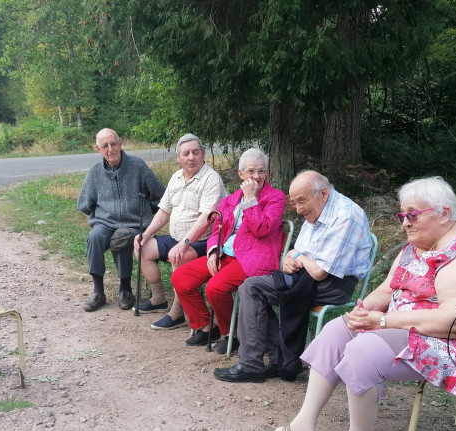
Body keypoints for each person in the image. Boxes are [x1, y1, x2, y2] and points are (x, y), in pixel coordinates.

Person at [257, 176, 456, 431]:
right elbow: (387, 289)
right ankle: (302, 428)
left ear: (445, 214)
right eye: (402, 215)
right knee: (336, 331)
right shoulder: (420, 243)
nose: (405, 223)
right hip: (415, 327)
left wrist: (382, 321)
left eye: (412, 215)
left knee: (362, 351)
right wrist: (364, 311)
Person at [214, 170, 373, 383]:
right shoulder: (316, 208)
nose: (298, 209)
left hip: (334, 284)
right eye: (294, 203)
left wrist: (297, 256)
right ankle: (278, 359)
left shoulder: (346, 215)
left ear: (323, 193)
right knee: (251, 287)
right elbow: (297, 253)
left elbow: (319, 272)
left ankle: (256, 364)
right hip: (305, 277)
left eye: (301, 201)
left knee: (253, 288)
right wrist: (290, 259)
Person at [171, 148, 286, 350]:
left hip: (253, 258)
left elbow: (262, 229)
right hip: (224, 254)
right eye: (251, 171)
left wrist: (251, 201)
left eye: (261, 171)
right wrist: (213, 251)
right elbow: (217, 229)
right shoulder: (231, 200)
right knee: (181, 276)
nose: (256, 177)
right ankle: (206, 326)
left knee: (215, 288)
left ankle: (231, 334)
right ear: (240, 174)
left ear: (267, 173)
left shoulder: (275, 198)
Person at [133, 134, 227, 330]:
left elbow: (205, 219)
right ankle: (158, 298)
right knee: (143, 248)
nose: (191, 157)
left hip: (203, 241)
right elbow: (164, 211)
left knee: (179, 257)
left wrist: (184, 244)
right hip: (177, 238)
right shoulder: (176, 177)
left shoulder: (211, 179)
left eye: (195, 152)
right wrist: (146, 234)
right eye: (186, 153)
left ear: (203, 154)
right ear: (178, 157)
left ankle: (176, 314)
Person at [77, 128, 166, 311]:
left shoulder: (138, 166)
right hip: (104, 222)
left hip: (133, 222)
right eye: (105, 146)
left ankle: (125, 289)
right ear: (98, 148)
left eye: (113, 143)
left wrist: (146, 212)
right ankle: (98, 291)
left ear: (121, 143)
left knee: (122, 237)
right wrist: (101, 215)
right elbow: (84, 204)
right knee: (94, 237)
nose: (110, 149)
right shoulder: (95, 172)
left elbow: (161, 196)